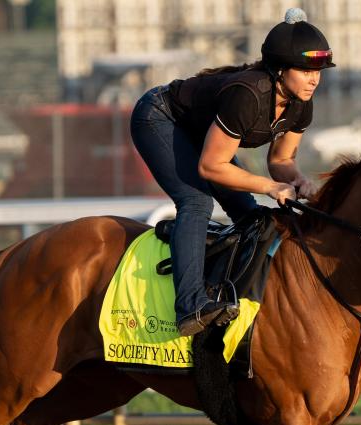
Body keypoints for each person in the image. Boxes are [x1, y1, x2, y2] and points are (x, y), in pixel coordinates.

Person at [129, 8, 334, 337]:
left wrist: (294, 178)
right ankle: (190, 307)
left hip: (198, 133)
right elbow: (211, 166)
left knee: (249, 215)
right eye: (305, 69)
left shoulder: (301, 102)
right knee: (196, 201)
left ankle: (238, 295)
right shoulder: (249, 95)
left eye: (319, 70)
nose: (315, 78)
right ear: (280, 69)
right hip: (159, 117)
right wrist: (270, 187)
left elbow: (280, 160)